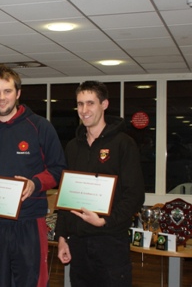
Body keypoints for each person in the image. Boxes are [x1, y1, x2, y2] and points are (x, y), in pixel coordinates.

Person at [0, 64, 66, 287]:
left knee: (32, 282)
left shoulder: (39, 127)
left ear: (18, 93)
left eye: (7, 91)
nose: (2, 97)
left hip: (29, 221)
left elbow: (57, 169)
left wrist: (35, 183)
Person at [55, 80, 145, 287]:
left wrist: (106, 221)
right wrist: (62, 237)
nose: (84, 110)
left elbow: (135, 195)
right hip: (77, 243)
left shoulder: (123, 144)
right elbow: (66, 195)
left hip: (110, 241)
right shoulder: (72, 147)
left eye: (90, 103)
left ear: (104, 105)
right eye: (79, 104)